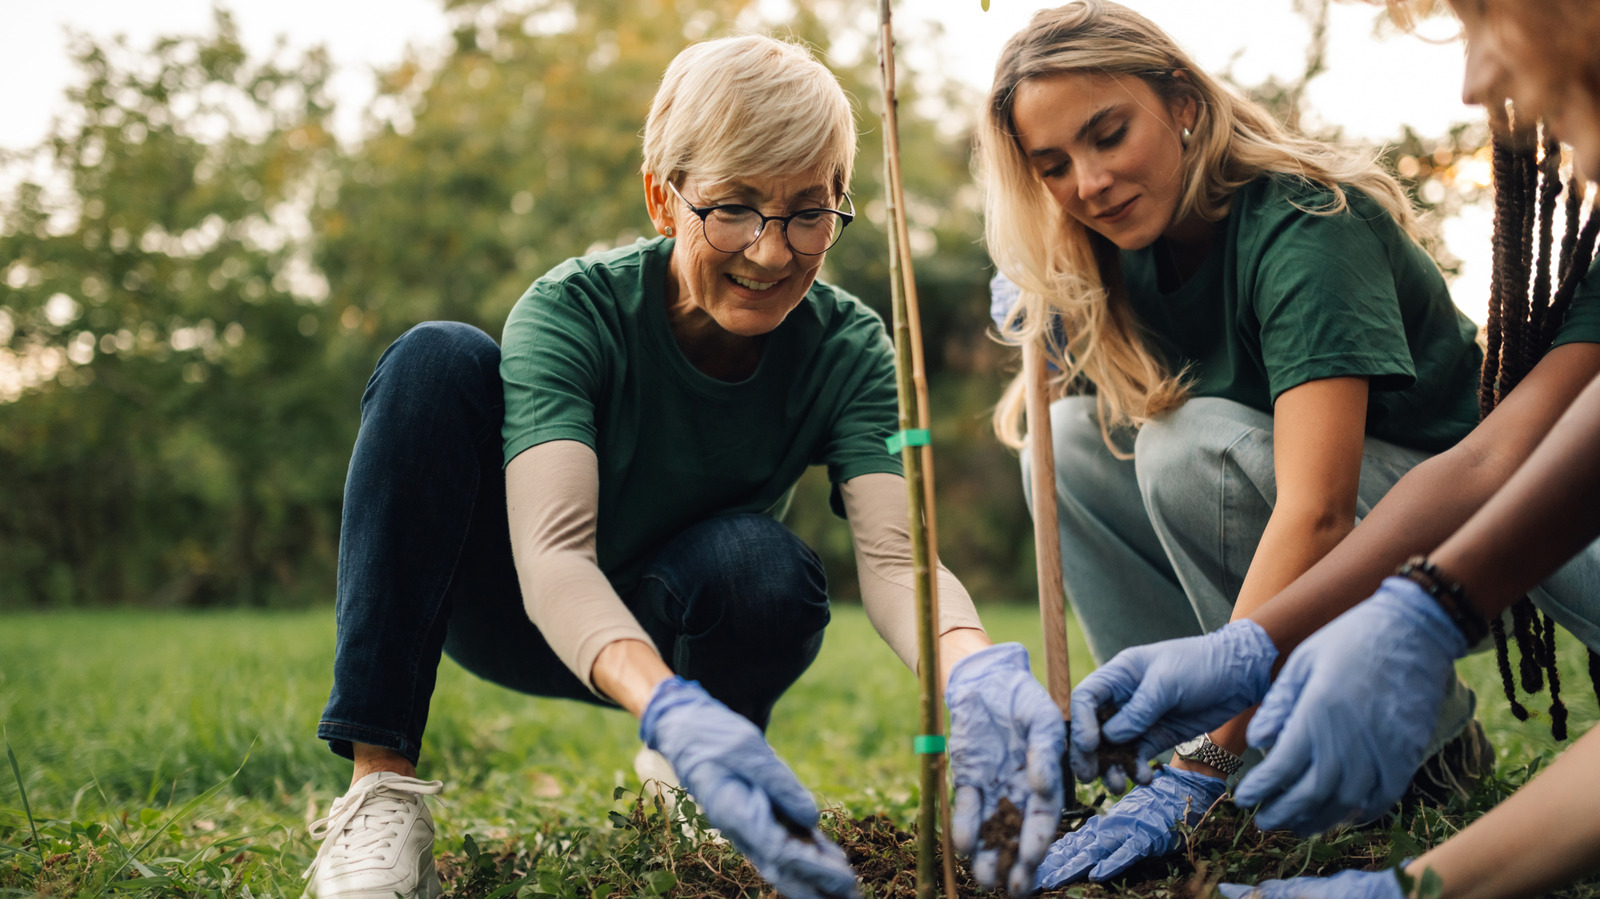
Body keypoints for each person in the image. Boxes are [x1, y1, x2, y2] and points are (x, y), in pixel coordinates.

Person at [301, 34, 1065, 899]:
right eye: (733, 208)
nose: (773, 253)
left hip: (686, 625)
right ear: (663, 200)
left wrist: (975, 671)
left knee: (763, 562)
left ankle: (693, 770)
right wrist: (665, 702)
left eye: (809, 212)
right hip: (511, 603)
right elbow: (555, 559)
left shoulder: (848, 348)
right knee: (434, 359)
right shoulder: (573, 312)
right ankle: (381, 791)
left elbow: (896, 562)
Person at [1066, 1, 1600, 896]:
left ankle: (1341, 762)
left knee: (1187, 445)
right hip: (1476, 537)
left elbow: (1347, 496)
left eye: (1486, 20)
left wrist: (1223, 736)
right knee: (1098, 437)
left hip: (1508, 554)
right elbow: (1504, 456)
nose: (1474, 81)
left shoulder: (1302, 222)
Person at [980, 0, 1487, 887]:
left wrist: (1198, 771)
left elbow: (1318, 509)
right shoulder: (1121, 243)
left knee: (1190, 446)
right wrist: (1057, 316)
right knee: (1064, 442)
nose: (1089, 183)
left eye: (1108, 135)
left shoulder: (1303, 224)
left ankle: (1411, 745)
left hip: (1464, 537)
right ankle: (1163, 748)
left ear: (1181, 99)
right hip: (1319, 535)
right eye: (1053, 165)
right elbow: (1105, 473)